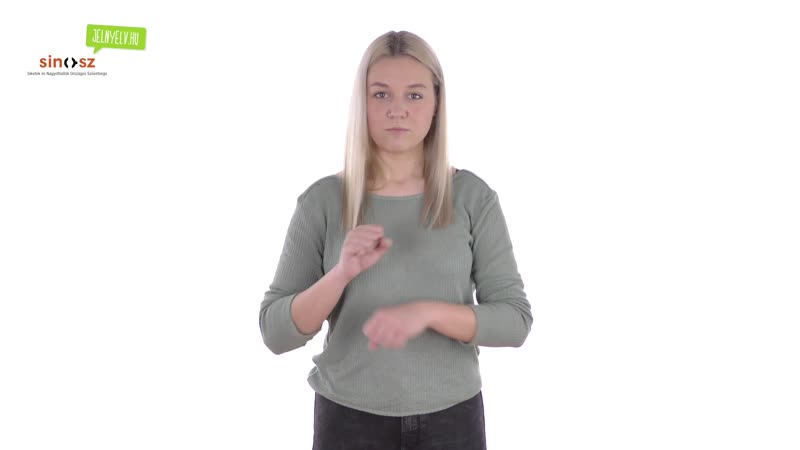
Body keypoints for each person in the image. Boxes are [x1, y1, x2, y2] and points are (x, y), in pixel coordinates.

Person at [259, 30, 532, 450]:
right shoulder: (323, 201)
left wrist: (427, 312)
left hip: (452, 420)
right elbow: (275, 333)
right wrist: (341, 274)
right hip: (348, 421)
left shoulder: (473, 197)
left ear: (437, 103)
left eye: (415, 95)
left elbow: (514, 321)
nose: (397, 109)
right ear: (362, 102)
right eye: (381, 94)